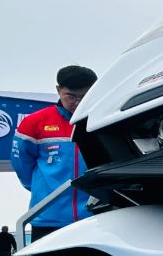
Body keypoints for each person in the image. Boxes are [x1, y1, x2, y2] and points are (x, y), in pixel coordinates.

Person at [11, 65, 98, 241]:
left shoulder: (104, 120)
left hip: (97, 215)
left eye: (84, 96)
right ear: (58, 90)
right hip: (48, 216)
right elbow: (22, 166)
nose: (77, 102)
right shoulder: (33, 123)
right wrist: (44, 189)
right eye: (71, 96)